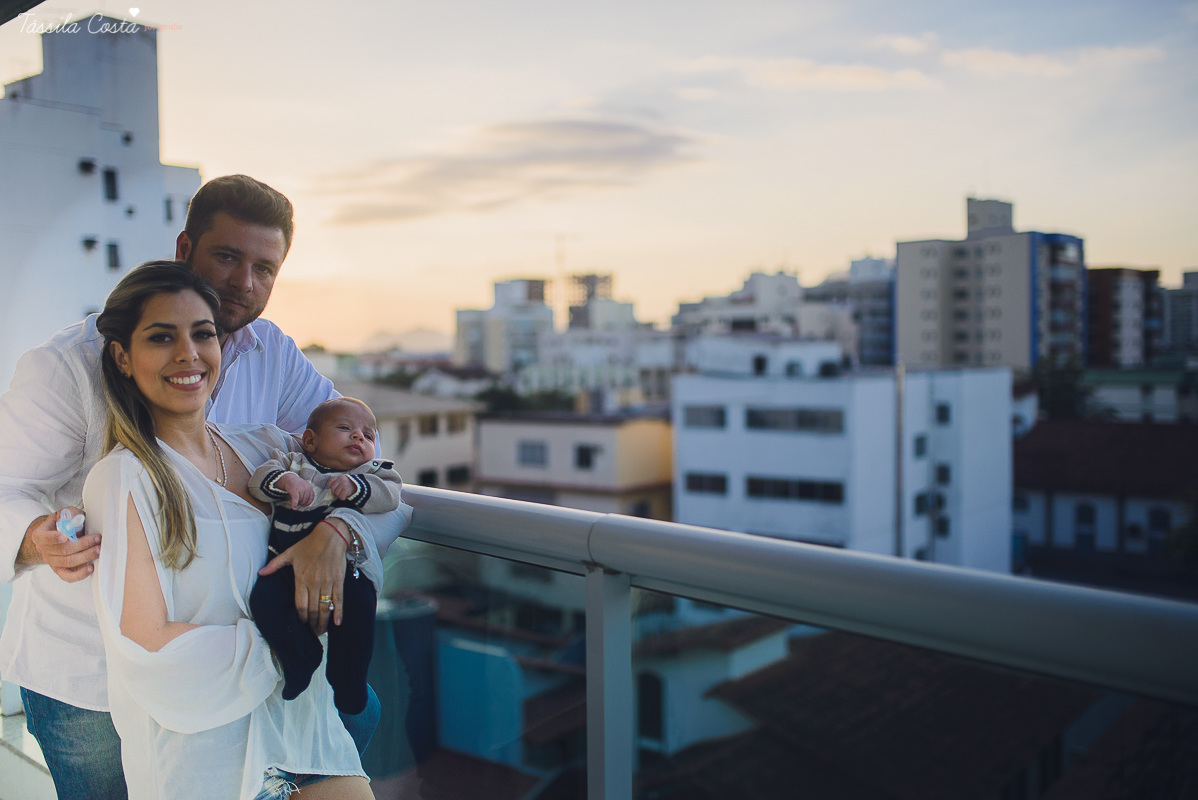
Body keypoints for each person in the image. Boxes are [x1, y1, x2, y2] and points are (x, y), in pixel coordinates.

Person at [0, 175, 409, 799]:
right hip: (92, 670)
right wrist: (37, 538)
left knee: (354, 720)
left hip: (244, 661)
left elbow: (360, 468)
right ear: (185, 247)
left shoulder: (272, 355)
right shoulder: (65, 367)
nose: (245, 283)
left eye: (265, 268)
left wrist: (337, 528)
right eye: (228, 257)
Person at [87, 260, 372, 799]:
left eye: (203, 334)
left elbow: (385, 495)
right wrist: (289, 644)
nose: (188, 354)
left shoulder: (266, 446)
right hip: (207, 757)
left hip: (305, 728)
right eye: (161, 337)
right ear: (123, 356)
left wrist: (335, 537)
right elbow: (147, 645)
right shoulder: (123, 478)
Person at [249, 397, 401, 713]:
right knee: (263, 599)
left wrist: (356, 486)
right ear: (310, 440)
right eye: (345, 429)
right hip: (285, 560)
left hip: (343, 568)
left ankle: (350, 676)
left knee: (359, 609)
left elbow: (391, 496)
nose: (359, 437)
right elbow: (258, 482)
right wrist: (285, 481)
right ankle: (300, 657)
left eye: (368, 436)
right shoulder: (291, 462)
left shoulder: (372, 472)